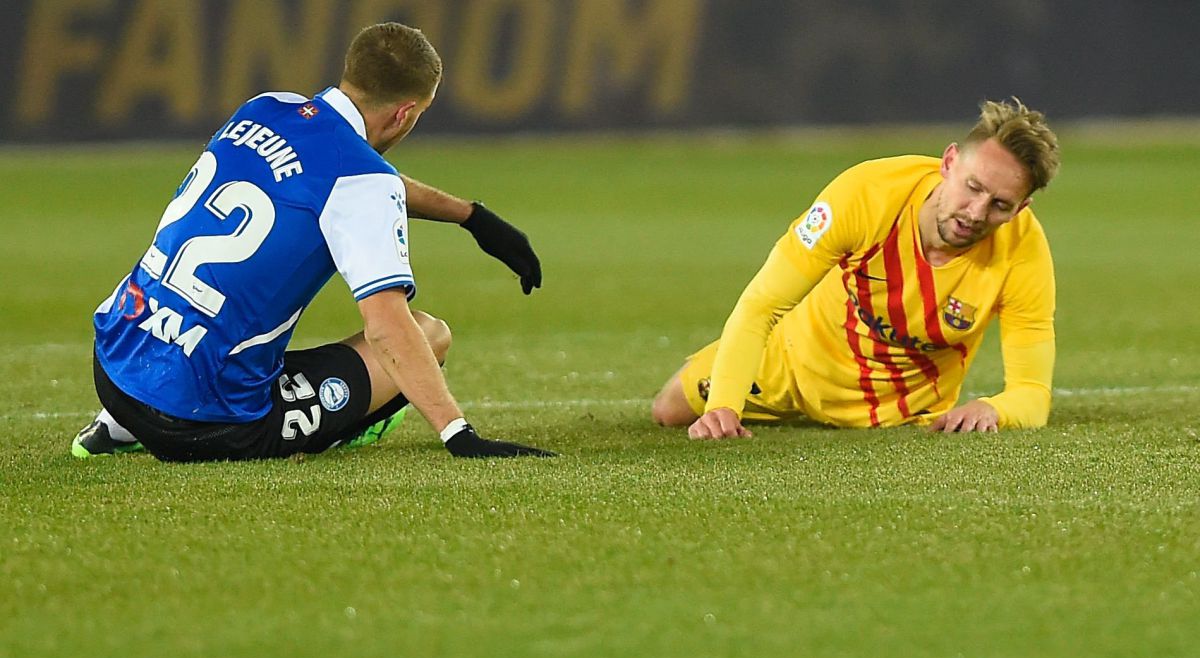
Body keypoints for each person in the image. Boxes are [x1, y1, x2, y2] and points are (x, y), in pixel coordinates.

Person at [72, 22, 554, 461]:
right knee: (430, 334)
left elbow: (343, 177)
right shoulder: (363, 182)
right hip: (203, 423)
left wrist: (470, 216)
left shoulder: (264, 108)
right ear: (406, 113)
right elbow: (387, 326)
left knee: (207, 318)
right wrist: (459, 434)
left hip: (113, 364)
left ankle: (114, 427)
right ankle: (342, 427)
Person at [652, 99, 1061, 439]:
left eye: (1000, 205)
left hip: (901, 413)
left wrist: (994, 408)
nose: (975, 213)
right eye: (973, 187)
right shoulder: (865, 195)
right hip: (795, 366)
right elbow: (762, 304)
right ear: (949, 162)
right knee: (669, 410)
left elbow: (1032, 393)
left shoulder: (1024, 250)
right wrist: (723, 404)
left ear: (1021, 208)